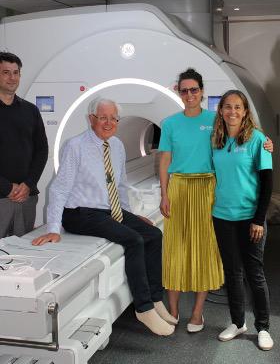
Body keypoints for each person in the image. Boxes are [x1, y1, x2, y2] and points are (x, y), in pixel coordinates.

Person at [32, 97, 177, 336]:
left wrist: (129, 215)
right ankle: (143, 308)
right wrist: (54, 229)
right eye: (103, 117)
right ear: (92, 119)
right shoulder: (75, 146)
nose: (108, 122)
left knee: (153, 234)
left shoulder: (117, 146)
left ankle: (155, 297)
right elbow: (59, 188)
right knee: (134, 239)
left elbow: (119, 186)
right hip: (79, 213)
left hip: (107, 211)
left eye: (113, 118)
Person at [159, 68, 273, 333]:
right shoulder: (170, 123)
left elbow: (243, 136)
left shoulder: (216, 121)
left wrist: (266, 142)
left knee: (205, 251)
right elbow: (165, 158)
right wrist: (164, 194)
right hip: (181, 189)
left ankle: (199, 313)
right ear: (178, 91)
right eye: (184, 90)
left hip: (208, 189)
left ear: (202, 92)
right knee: (176, 250)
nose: (189, 94)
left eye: (194, 90)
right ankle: (175, 310)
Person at [211, 90, 273, 350]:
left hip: (250, 219)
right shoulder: (216, 140)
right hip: (223, 216)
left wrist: (259, 220)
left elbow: (268, 182)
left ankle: (263, 327)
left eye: (237, 107)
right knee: (232, 274)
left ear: (245, 111)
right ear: (221, 111)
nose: (232, 111)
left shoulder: (258, 140)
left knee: (254, 274)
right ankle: (238, 323)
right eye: (227, 106)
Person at [0, 51, 48, 239]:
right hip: (1, 197)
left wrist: (29, 184)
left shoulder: (31, 110)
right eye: (6, 72)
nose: (12, 78)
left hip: (26, 197)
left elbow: (42, 149)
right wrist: (7, 187)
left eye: (16, 72)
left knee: (23, 256)